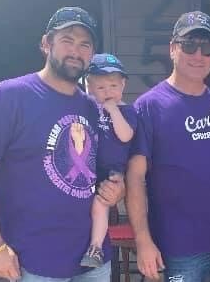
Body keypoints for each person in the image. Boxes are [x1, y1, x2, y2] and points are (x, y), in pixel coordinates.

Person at [0, 7, 125, 282]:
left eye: (85, 44)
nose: (76, 51)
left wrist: (116, 188)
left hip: (92, 259)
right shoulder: (11, 96)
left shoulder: (93, 107)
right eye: (67, 40)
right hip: (32, 261)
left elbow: (97, 169)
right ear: (46, 43)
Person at [126, 11, 210, 282]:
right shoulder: (148, 107)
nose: (198, 55)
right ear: (172, 49)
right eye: (189, 45)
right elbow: (134, 178)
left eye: (206, 47)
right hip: (179, 245)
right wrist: (143, 240)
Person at [80, 53, 137, 268]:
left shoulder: (126, 111)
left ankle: (95, 247)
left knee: (101, 203)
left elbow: (125, 136)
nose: (108, 92)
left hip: (113, 171)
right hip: (88, 168)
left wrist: (113, 111)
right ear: (90, 87)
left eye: (113, 86)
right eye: (101, 88)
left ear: (123, 85)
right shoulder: (90, 108)